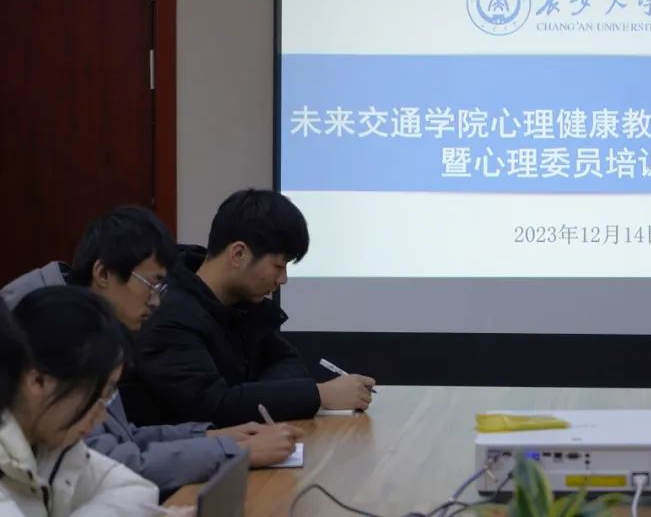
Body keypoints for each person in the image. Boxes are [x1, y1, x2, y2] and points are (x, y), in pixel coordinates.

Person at [1, 206, 301, 495]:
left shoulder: (93, 329)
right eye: (152, 285)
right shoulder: (50, 333)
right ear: (103, 274)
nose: (156, 302)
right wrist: (231, 451)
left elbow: (125, 436)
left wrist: (212, 436)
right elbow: (105, 463)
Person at [130, 189, 376, 427]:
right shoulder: (166, 314)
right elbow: (212, 406)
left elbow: (290, 363)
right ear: (238, 254)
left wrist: (247, 396)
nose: (283, 280)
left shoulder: (245, 304)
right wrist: (320, 395)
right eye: (278, 266)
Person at [0, 288, 158, 516]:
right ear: (37, 381)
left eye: (108, 395)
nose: (101, 415)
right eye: (96, 395)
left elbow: (137, 490)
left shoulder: (48, 445)